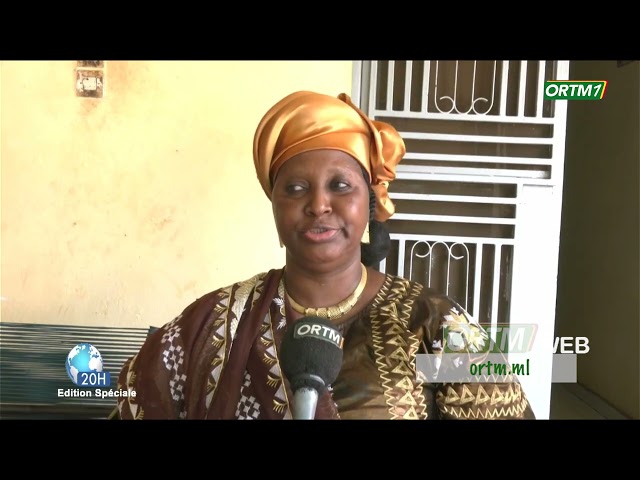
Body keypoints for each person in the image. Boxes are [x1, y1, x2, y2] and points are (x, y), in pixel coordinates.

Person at [115, 90, 536, 420]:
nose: (318, 204)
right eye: (295, 189)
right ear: (275, 207)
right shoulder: (209, 325)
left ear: (368, 203)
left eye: (340, 186)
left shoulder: (436, 327)